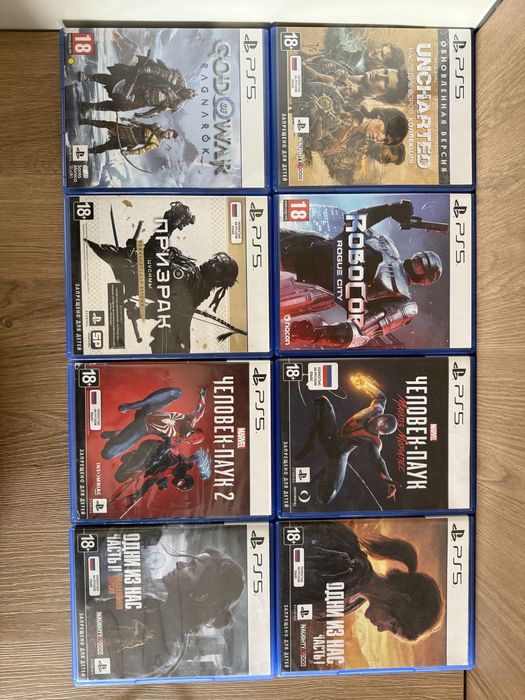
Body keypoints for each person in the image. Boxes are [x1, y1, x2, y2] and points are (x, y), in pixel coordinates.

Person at [280, 200, 443, 349]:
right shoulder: (387, 246)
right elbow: (353, 220)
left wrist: (315, 335)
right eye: (420, 258)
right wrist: (389, 210)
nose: (418, 261)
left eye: (423, 266)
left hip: (310, 287)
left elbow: (361, 332)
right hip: (305, 246)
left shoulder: (402, 300)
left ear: (425, 278)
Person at [104, 546, 246, 677]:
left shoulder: (168, 646)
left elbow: (104, 665)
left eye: (192, 567)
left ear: (200, 595)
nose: (180, 563)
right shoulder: (152, 602)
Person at [299, 520, 444, 642]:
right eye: (393, 626)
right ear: (402, 599)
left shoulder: (354, 604)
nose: (381, 629)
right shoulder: (348, 560)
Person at [298, 389, 399, 503]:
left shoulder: (373, 441)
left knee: (326, 496)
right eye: (381, 421)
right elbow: (381, 397)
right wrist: (364, 383)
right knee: (322, 402)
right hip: (332, 436)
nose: (376, 424)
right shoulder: (377, 408)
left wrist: (388, 480)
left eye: (380, 427)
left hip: (338, 454)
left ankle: (320, 475)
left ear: (383, 433)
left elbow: (378, 460)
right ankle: (309, 442)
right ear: (382, 416)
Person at [101, 386, 207, 460]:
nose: (186, 434)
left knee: (108, 454)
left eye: (188, 439)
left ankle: (118, 434)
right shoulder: (190, 419)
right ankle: (137, 405)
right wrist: (202, 395)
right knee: (176, 392)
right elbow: (200, 410)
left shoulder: (176, 440)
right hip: (147, 412)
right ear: (193, 428)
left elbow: (166, 449)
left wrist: (171, 450)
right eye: (190, 432)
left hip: (143, 426)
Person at [78, 54, 197, 117]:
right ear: (190, 88)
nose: (191, 93)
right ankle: (88, 77)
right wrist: (145, 70)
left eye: (192, 95)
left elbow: (158, 110)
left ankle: (90, 107)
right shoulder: (179, 81)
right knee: (115, 81)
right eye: (192, 91)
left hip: (143, 100)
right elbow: (159, 72)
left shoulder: (177, 104)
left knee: (121, 107)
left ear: (190, 98)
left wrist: (144, 115)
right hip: (144, 83)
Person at [79, 115, 177, 156]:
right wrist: (131, 121)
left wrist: (128, 152)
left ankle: (85, 152)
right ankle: (85, 121)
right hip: (127, 129)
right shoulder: (156, 127)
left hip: (127, 140)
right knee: (106, 123)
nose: (166, 136)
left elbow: (142, 150)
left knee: (105, 147)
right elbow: (142, 125)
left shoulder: (156, 143)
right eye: (168, 134)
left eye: (168, 137)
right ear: (168, 130)